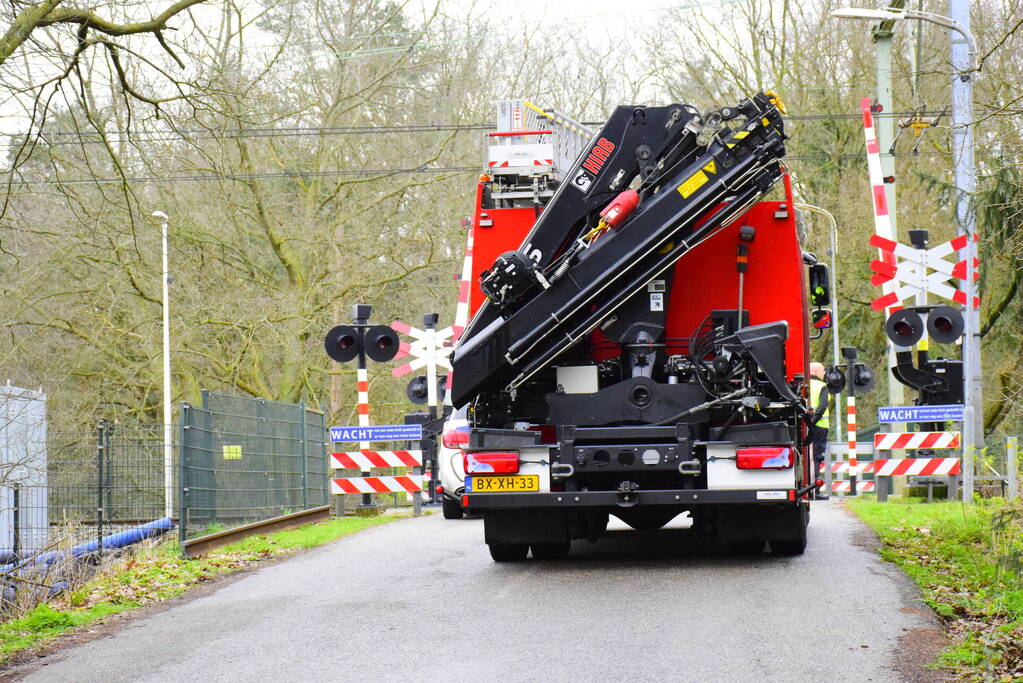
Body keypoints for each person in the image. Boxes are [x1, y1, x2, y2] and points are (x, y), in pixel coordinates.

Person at [807, 362, 831, 488]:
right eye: (823, 371)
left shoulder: (804, 384)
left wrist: (808, 423)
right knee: (817, 458)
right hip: (819, 427)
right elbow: (822, 407)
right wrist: (813, 421)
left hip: (806, 425)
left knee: (806, 456)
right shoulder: (822, 386)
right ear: (816, 372)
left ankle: (807, 486)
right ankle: (816, 489)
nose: (824, 373)